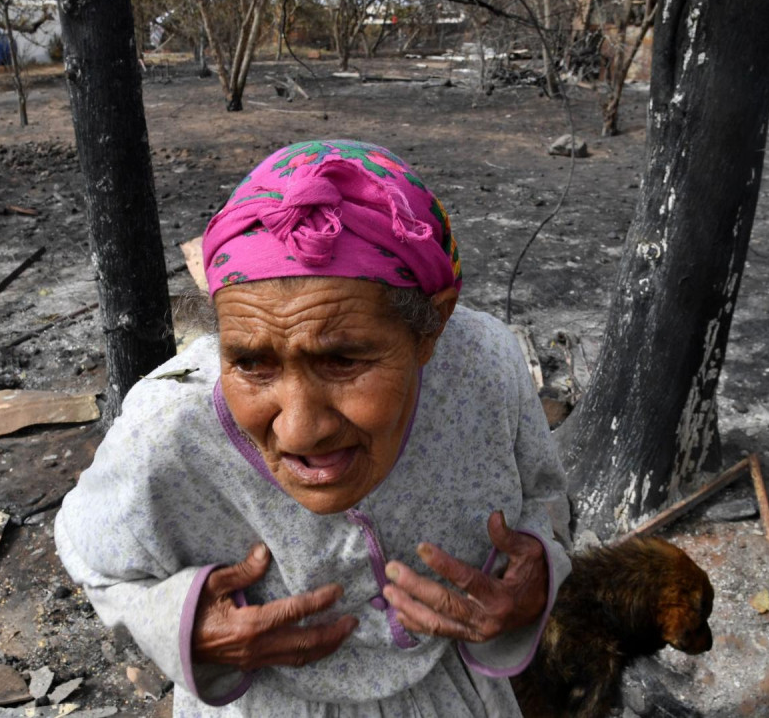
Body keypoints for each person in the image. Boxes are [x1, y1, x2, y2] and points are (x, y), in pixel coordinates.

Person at [54, 138, 572, 716]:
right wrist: (180, 623)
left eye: (343, 361)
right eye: (251, 362)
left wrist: (536, 579)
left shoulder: (486, 368)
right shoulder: (168, 428)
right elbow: (92, 556)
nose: (299, 432)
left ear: (432, 327)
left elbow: (541, 500)